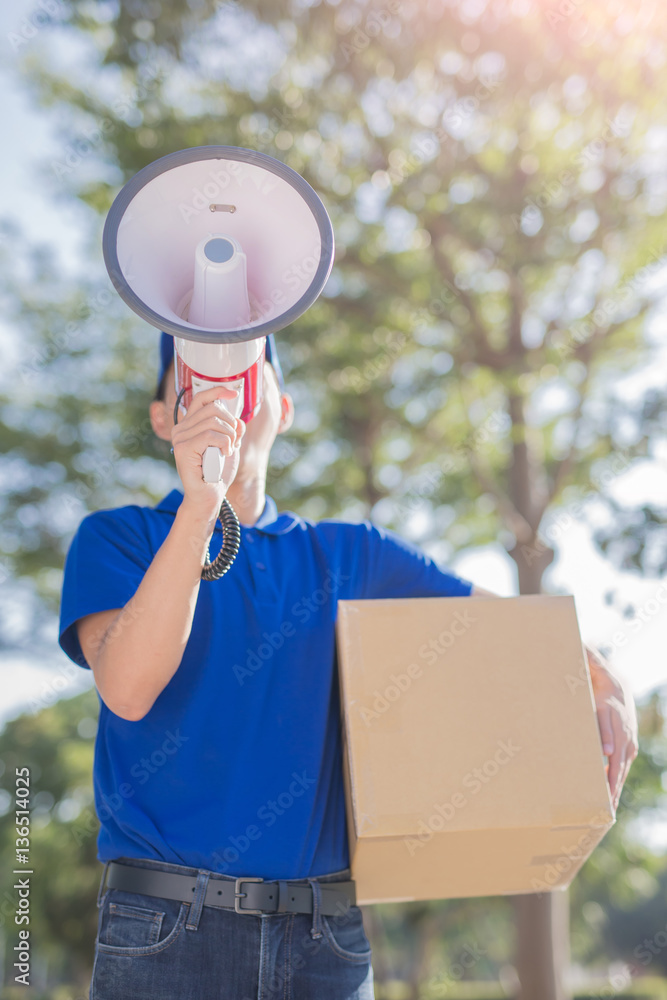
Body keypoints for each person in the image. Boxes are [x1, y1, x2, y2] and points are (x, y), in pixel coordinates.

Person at [58, 333, 638, 1000]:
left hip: (324, 945)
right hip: (164, 934)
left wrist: (606, 678)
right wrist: (199, 507)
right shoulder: (117, 538)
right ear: (163, 419)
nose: (225, 399)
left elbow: (514, 632)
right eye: (195, 386)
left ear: (283, 408)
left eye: (247, 381)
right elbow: (128, 689)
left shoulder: (353, 556)